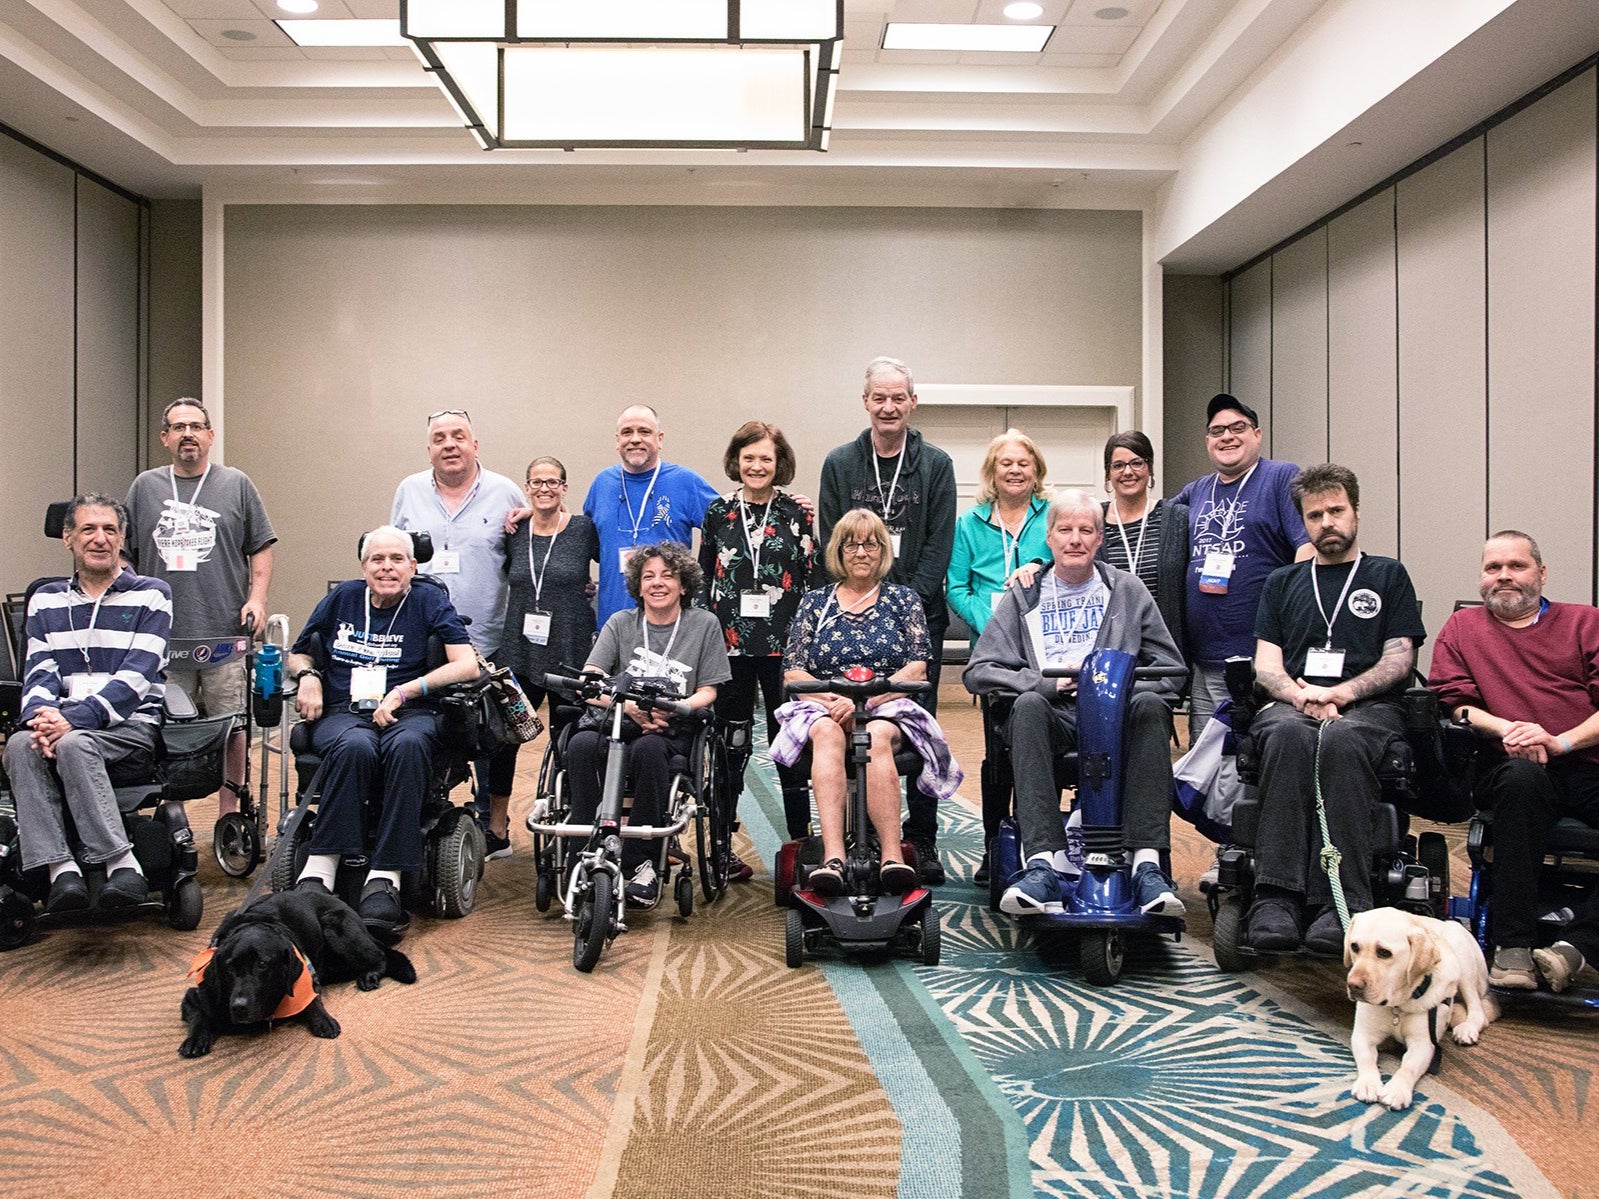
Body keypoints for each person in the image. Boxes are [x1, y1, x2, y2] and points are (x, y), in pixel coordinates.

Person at [963, 490, 1187, 917]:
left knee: (1151, 708)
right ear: (1049, 538)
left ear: (1100, 538)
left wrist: (1122, 689)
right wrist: (1042, 684)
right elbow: (979, 670)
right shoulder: (1025, 594)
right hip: (1053, 715)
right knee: (1026, 705)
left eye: (1086, 530)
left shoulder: (1128, 590)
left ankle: (1147, 866)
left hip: (1113, 714)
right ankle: (1043, 864)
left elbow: (1171, 669)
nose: (1075, 539)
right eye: (1065, 530)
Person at [1244, 464, 1425, 955]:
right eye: (1315, 514)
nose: (1327, 522)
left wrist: (1343, 693)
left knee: (1342, 739)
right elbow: (1266, 665)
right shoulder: (1282, 582)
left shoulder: (1387, 575)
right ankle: (1275, 898)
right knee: (1287, 735)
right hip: (1293, 705)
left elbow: (1400, 658)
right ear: (1303, 521)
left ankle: (1339, 902)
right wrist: (1298, 695)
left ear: (1357, 512)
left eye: (1336, 511)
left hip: (1368, 710)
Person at [286, 526, 479, 936]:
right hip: (344, 709)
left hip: (411, 711)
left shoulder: (428, 600)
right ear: (363, 566)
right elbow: (300, 650)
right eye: (377, 559)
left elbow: (467, 664)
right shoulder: (343, 597)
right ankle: (322, 867)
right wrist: (308, 677)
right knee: (354, 744)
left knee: (409, 744)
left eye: (396, 560)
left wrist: (404, 691)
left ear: (412, 565)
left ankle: (385, 876)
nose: (386, 568)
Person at [1428, 531, 1599, 991]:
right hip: (1508, 768)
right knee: (1522, 782)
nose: (1503, 575)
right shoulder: (1462, 629)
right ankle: (1514, 948)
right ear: (1482, 578)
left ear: (1542, 574)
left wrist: (1561, 741)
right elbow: (1453, 702)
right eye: (1492, 567)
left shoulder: (1586, 622)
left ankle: (1576, 948)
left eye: (1516, 566)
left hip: (1585, 762)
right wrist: (1511, 729)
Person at [819, 357, 957, 884]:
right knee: (848, 725)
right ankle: (860, 833)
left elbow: (939, 543)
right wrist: (860, 598)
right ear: (865, 402)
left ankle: (921, 837)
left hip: (918, 616)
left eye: (898, 397)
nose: (889, 406)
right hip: (850, 612)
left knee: (918, 732)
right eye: (879, 397)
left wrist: (898, 603)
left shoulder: (936, 464)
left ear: (912, 402)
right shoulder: (839, 462)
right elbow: (830, 539)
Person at [774, 509, 961, 896]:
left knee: (874, 736)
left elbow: (916, 667)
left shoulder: (902, 600)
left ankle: (892, 856)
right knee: (826, 733)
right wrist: (834, 699)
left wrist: (868, 699)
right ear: (838, 551)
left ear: (883, 551)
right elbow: (793, 672)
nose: (861, 552)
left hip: (886, 705)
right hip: (824, 706)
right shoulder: (815, 602)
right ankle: (834, 857)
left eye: (871, 544)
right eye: (851, 544)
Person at [4, 495, 172, 913]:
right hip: (62, 725)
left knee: (76, 743)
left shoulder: (153, 595)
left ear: (122, 539)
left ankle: (121, 863)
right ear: (68, 538)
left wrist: (70, 721)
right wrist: (40, 721)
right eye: (88, 529)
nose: (100, 539)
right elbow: (39, 671)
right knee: (19, 748)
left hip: (128, 728)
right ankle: (61, 870)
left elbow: (136, 678)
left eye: (110, 530)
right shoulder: (46, 600)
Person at [124, 398, 275, 817]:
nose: (187, 434)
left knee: (233, 726)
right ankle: (170, 812)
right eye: (178, 427)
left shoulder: (236, 484)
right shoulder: (145, 487)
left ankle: (230, 809)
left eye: (195, 426)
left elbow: (260, 547)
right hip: (163, 638)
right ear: (165, 438)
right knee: (165, 728)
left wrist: (257, 599)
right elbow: (125, 555)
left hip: (224, 630)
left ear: (210, 435)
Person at [390, 408, 525, 853]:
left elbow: (535, 545)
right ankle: (431, 818)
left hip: (490, 635)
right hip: (422, 644)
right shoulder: (408, 491)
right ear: (429, 447)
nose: (450, 445)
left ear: (475, 444)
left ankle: (495, 826)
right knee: (427, 730)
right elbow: (394, 558)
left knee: (493, 735)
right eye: (440, 438)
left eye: (459, 436)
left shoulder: (505, 491)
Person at [566, 542, 730, 906]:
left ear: (683, 585)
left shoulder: (703, 624)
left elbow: (709, 690)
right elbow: (590, 679)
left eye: (668, 576)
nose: (657, 583)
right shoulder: (620, 623)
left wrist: (678, 706)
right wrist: (624, 709)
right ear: (638, 586)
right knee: (579, 745)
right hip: (618, 718)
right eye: (648, 576)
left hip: (671, 726)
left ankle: (642, 863)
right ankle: (581, 850)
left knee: (650, 751)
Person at [699, 421, 824, 866]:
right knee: (731, 747)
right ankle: (720, 846)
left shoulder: (797, 512)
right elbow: (705, 579)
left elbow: (815, 581)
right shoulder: (717, 513)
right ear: (737, 460)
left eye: (765, 458)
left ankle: (799, 843)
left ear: (779, 463)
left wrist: (811, 645)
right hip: (730, 647)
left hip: (785, 648)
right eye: (749, 457)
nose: (756, 465)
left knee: (790, 743)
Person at [946, 428, 1052, 883]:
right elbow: (955, 587)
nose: (1014, 470)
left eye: (1023, 463)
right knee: (999, 753)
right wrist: (992, 624)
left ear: (1036, 470)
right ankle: (995, 847)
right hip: (992, 652)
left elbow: (1071, 562)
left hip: (1044, 649)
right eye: (1005, 463)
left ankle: (1040, 842)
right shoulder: (970, 524)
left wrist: (1041, 567)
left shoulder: (1052, 516)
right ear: (992, 471)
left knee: (1041, 746)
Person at [492, 456, 600, 856]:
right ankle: (497, 829)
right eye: (536, 482)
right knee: (507, 738)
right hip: (519, 651)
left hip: (569, 650)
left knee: (569, 740)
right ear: (527, 487)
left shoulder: (584, 530)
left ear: (565, 488)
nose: (544, 488)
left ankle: (571, 822)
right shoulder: (515, 531)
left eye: (552, 481)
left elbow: (619, 568)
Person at [584, 405, 720, 629]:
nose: (635, 439)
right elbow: (581, 538)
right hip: (612, 621)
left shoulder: (685, 481)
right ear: (617, 440)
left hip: (670, 623)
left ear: (660, 438)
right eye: (627, 432)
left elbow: (733, 523)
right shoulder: (602, 483)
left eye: (644, 432)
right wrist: (535, 512)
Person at [1096, 430, 1189, 664]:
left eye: (1137, 463)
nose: (1128, 472)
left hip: (1165, 650)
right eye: (1118, 465)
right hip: (1107, 649)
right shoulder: (1092, 520)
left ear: (1150, 467)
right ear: (1108, 473)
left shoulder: (1178, 518)